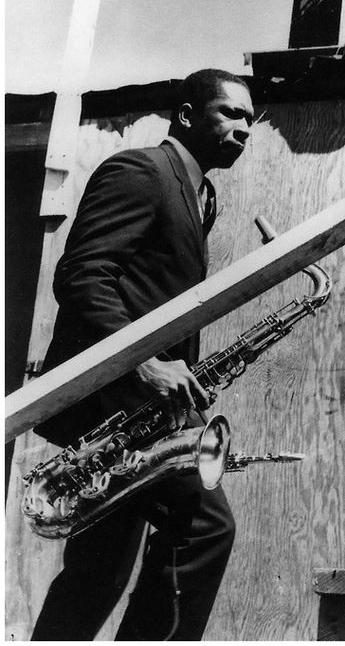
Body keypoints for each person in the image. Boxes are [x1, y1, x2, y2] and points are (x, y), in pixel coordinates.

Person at [31, 68, 255, 641]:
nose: (243, 128)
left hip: (143, 415)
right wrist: (145, 363)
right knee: (204, 527)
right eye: (229, 113)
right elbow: (82, 275)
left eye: (249, 120)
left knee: (96, 574)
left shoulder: (202, 196)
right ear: (186, 114)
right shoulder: (141, 170)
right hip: (120, 402)